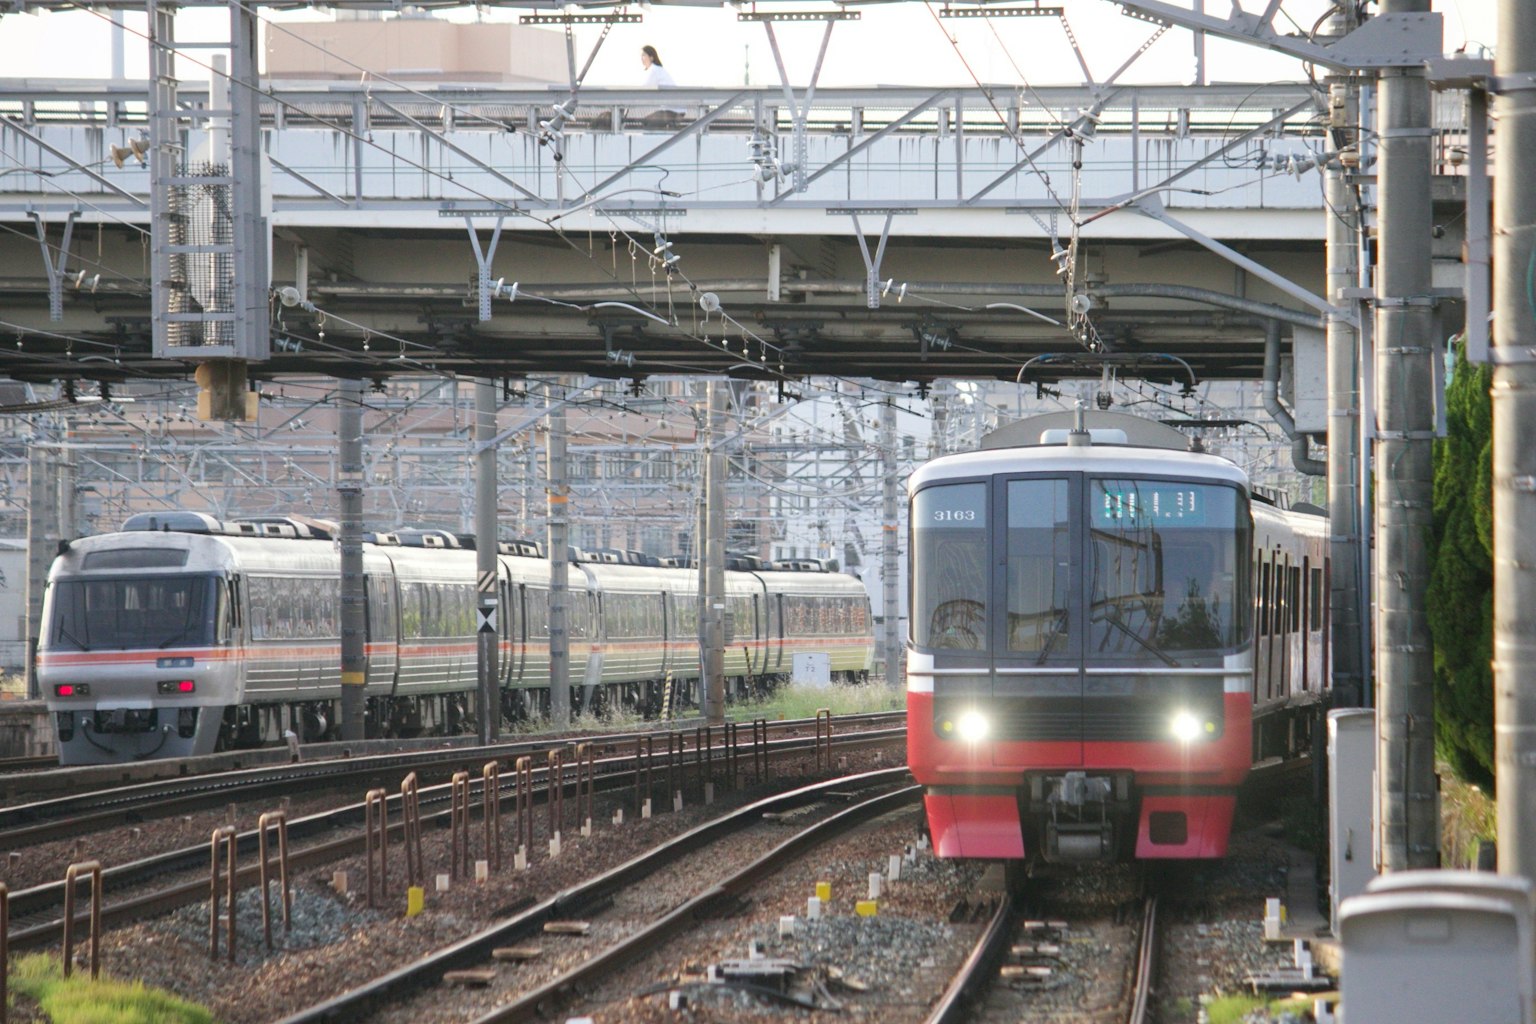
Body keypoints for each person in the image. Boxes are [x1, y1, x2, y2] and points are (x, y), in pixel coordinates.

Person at [638, 45, 683, 127]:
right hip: (674, 109)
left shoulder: (654, 70)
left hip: (672, 110)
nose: (641, 58)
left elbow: (643, 89)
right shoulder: (657, 69)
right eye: (641, 56)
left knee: (647, 125)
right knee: (645, 122)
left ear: (651, 58)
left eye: (644, 55)